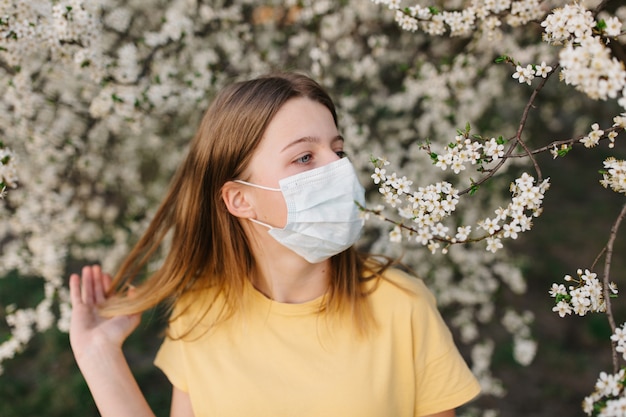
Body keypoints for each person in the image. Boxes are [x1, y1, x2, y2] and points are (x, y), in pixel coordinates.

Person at [69, 72, 481, 417]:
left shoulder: (401, 305)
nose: (338, 169)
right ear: (240, 199)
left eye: (338, 150)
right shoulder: (200, 313)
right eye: (305, 157)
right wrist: (98, 355)